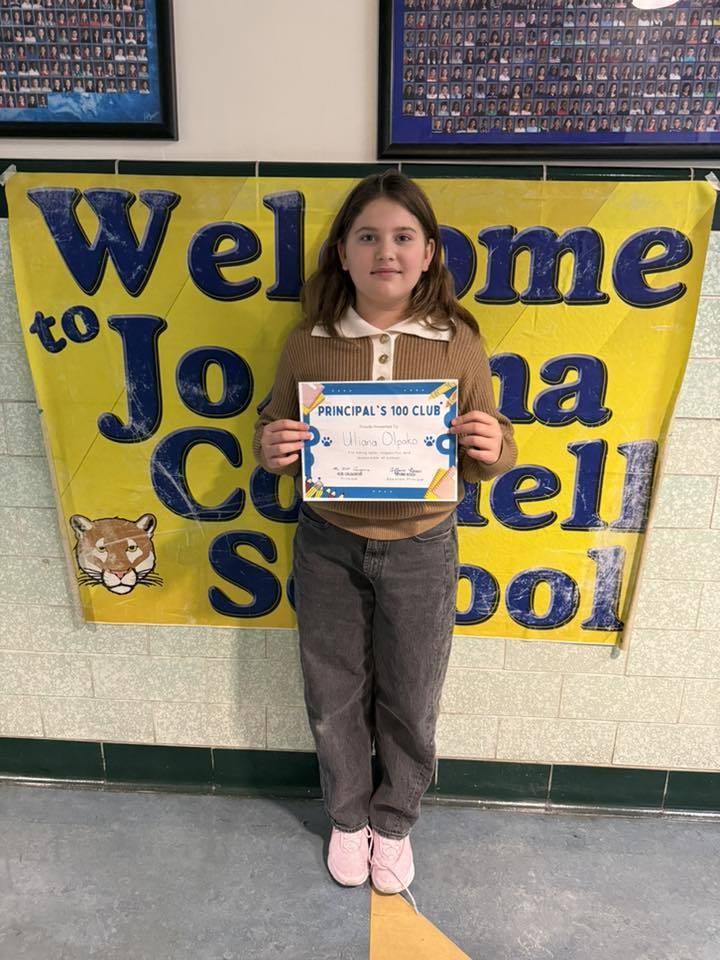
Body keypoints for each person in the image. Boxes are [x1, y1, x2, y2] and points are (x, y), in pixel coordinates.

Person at [253, 172, 517, 902]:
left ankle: (394, 821)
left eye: (403, 237)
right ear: (342, 252)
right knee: (332, 688)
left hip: (422, 546)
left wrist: (495, 446)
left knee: (411, 691)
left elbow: (494, 449)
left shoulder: (458, 342)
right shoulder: (306, 341)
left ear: (429, 253)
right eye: (367, 236)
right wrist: (271, 445)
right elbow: (271, 430)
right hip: (329, 539)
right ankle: (346, 817)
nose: (386, 252)